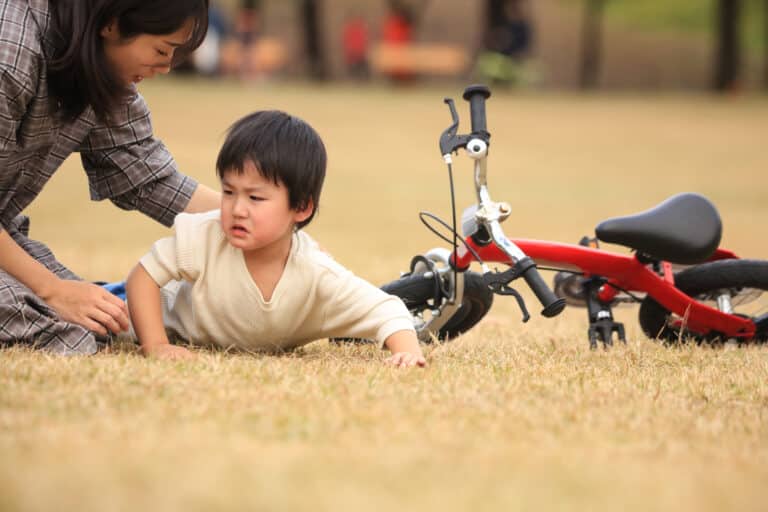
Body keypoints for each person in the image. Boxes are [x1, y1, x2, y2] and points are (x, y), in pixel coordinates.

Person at [0, 0, 221, 355]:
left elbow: (149, 176)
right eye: (163, 49)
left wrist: (265, 222)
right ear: (112, 24)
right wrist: (52, 290)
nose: (166, 67)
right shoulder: (10, 50)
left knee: (99, 323)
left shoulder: (95, 65)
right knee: (57, 328)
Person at [125, 110, 427, 368]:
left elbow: (386, 308)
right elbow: (143, 276)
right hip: (150, 316)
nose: (236, 209)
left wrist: (407, 354)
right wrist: (156, 344)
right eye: (229, 192)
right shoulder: (205, 235)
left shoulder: (315, 271)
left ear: (301, 207)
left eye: (255, 197)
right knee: (104, 321)